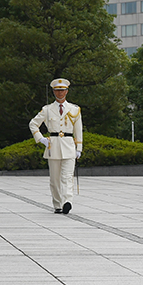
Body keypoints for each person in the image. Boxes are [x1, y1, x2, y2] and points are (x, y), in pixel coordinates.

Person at [29, 78, 83, 214]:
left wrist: (79, 148)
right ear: (53, 91)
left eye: (63, 90)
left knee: (67, 176)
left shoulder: (74, 109)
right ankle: (58, 204)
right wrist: (40, 139)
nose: (60, 93)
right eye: (58, 90)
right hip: (53, 146)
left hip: (69, 145)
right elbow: (33, 124)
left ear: (67, 91)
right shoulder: (47, 109)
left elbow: (78, 130)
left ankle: (67, 201)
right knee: (55, 179)